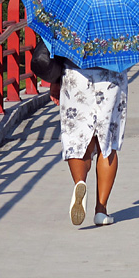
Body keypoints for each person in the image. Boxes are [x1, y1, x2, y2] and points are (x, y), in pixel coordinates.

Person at [50, 61, 128, 227]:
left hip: (76, 75)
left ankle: (80, 182)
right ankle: (101, 210)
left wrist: (54, 82)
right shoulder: (119, 32)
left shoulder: (72, 32)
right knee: (107, 145)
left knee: (77, 139)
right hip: (111, 75)